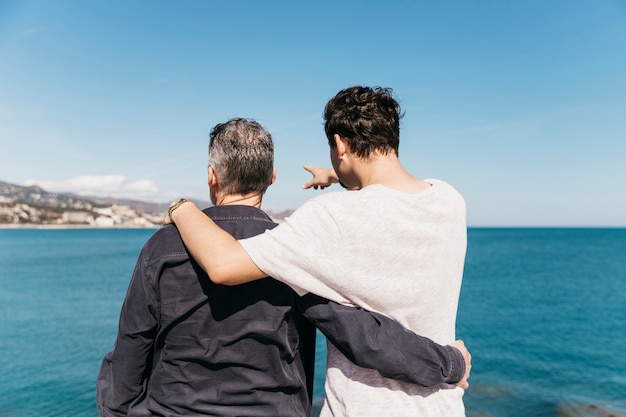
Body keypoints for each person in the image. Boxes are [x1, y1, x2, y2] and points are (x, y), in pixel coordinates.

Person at [98, 117, 471, 417]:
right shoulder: (293, 249)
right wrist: (449, 363)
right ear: (272, 176)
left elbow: (132, 348)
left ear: (212, 176)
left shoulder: (162, 247)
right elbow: (363, 336)